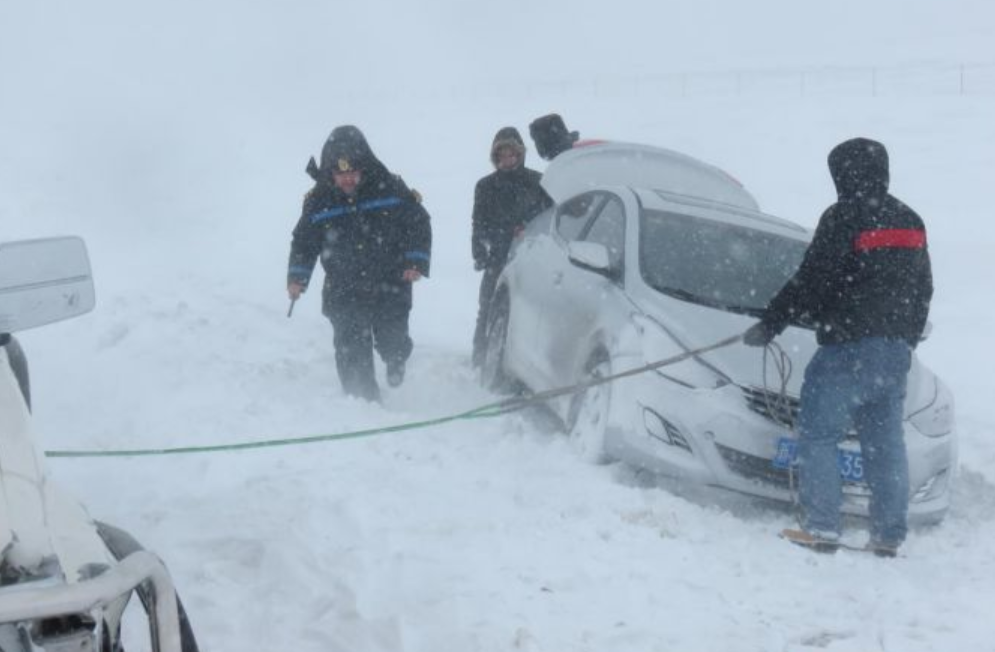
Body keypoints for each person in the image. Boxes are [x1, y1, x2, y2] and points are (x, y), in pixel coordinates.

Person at [743, 137, 933, 556]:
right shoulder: (910, 219)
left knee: (819, 435)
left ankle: (822, 527)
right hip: (894, 352)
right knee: (885, 446)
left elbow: (814, 279)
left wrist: (773, 321)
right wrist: (905, 336)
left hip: (848, 348)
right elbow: (923, 289)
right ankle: (887, 536)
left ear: (843, 173)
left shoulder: (844, 215)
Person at [287, 125, 432, 402]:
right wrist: (297, 277)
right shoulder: (318, 201)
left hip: (390, 280)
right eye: (340, 173)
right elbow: (304, 242)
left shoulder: (389, 186)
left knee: (393, 336)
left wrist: (416, 260)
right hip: (343, 286)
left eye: (352, 172)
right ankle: (362, 399)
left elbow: (418, 222)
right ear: (331, 172)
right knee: (350, 341)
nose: (348, 179)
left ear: (364, 167)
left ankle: (395, 358)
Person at [471, 127, 553, 368]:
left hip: (530, 260)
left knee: (523, 315)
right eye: (501, 155)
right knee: (487, 311)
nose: (507, 160)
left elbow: (549, 218)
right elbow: (479, 224)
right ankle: (479, 360)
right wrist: (482, 252)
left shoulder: (538, 182)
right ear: (495, 157)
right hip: (496, 258)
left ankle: (516, 364)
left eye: (512, 155)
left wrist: (526, 229)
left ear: (520, 155)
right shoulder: (485, 186)